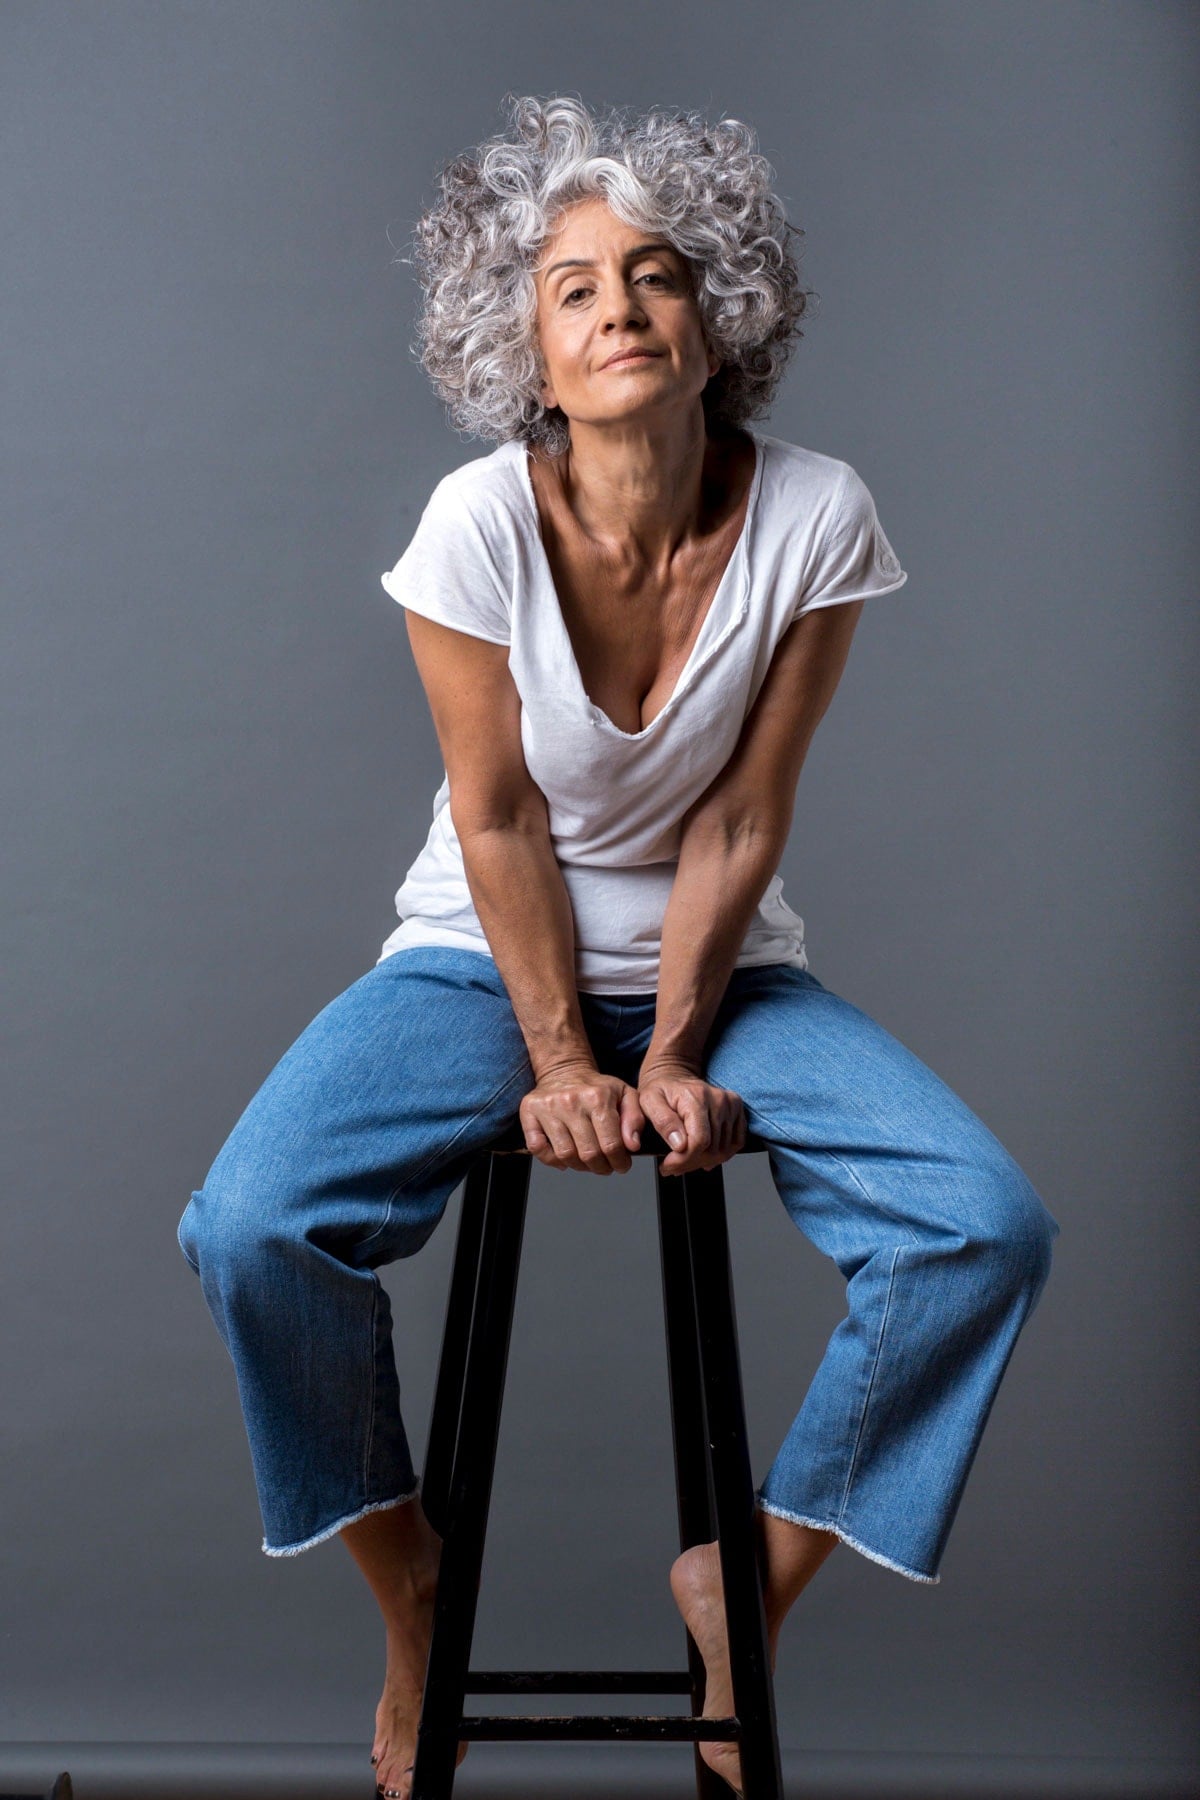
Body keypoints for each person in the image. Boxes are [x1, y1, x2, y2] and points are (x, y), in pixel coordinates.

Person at [177, 94, 1059, 1800]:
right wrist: (567, 1059)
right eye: (575, 288)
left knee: (984, 1227)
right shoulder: (474, 526)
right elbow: (498, 822)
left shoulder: (815, 515)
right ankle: (409, 1579)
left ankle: (746, 1579)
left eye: (657, 277)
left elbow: (738, 823)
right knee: (252, 1226)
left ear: (720, 314)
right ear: (525, 343)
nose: (622, 312)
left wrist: (667, 1054)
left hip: (727, 977)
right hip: (474, 959)